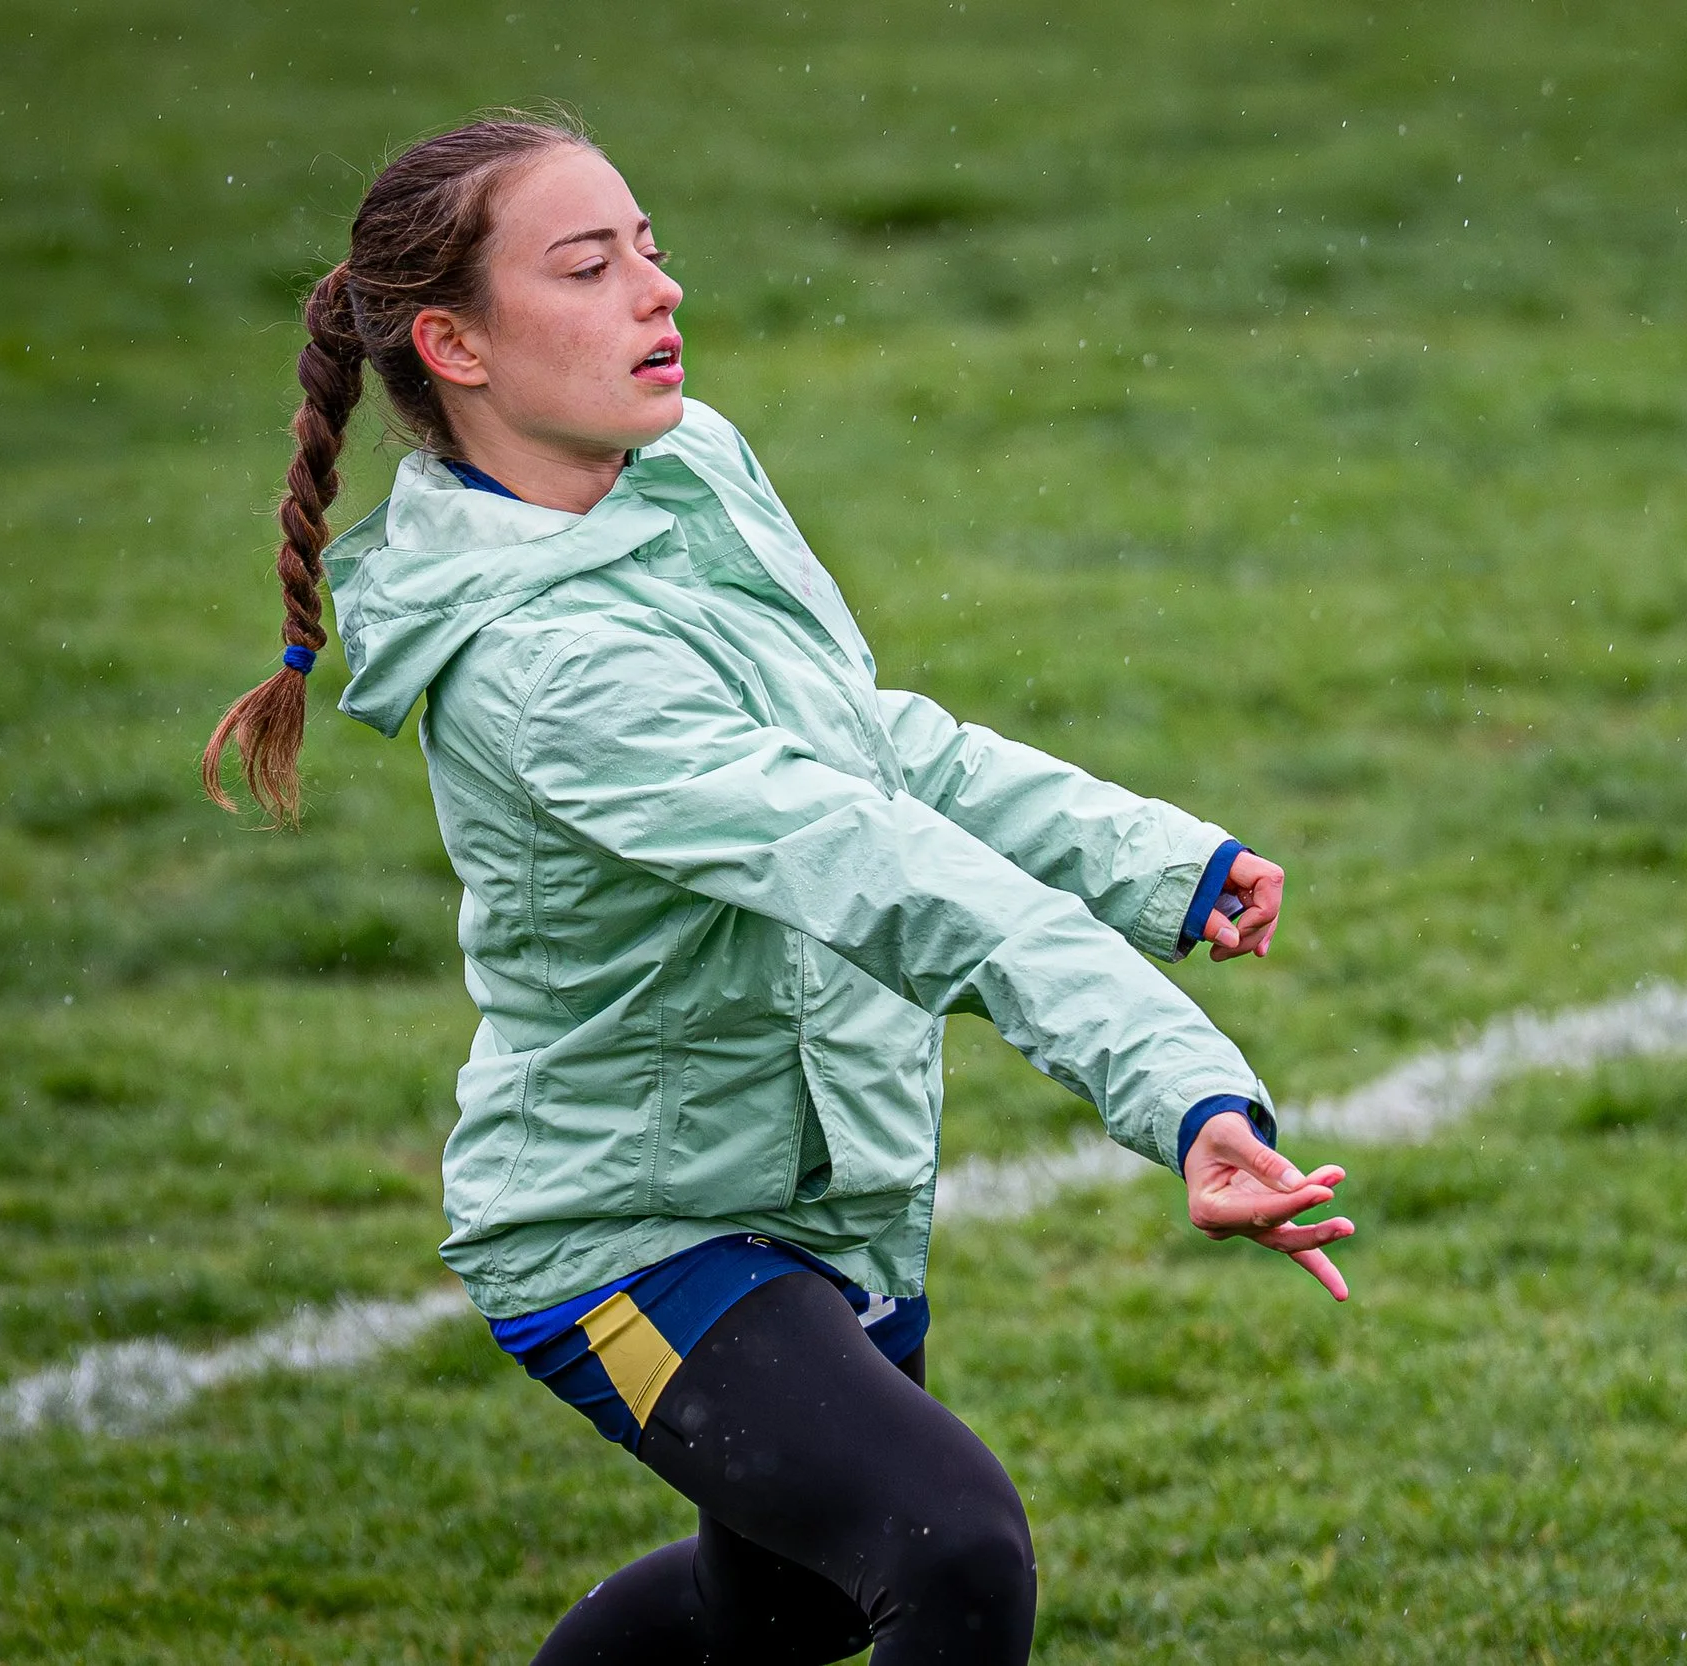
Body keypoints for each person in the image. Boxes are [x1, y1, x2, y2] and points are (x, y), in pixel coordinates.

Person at [201, 114, 1354, 1664]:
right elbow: (873, 862)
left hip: (831, 1181)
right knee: (950, 1551)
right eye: (590, 266)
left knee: (781, 1613)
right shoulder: (549, 674)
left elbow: (861, 745)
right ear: (453, 345)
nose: (658, 293)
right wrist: (1186, 1090)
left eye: (652, 248)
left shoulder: (689, 469)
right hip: (630, 1225)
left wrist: (1150, 859)